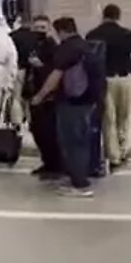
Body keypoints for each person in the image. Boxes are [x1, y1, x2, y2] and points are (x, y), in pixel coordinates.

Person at [30, 17, 102, 197]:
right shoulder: (85, 46)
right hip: (87, 101)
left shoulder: (67, 48)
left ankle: (79, 184)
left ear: (61, 31)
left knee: (71, 143)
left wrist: (40, 96)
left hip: (71, 102)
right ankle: (80, 177)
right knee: (81, 141)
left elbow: (56, 75)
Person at [85, 4, 131, 169]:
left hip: (105, 79)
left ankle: (113, 156)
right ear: (118, 16)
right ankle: (123, 148)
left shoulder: (93, 34)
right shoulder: (127, 34)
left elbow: (89, 59)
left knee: (108, 119)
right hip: (125, 78)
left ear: (103, 16)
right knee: (124, 117)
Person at [21, 16, 64, 180]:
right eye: (37, 28)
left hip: (46, 95)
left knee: (48, 131)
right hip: (32, 91)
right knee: (36, 129)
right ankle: (47, 161)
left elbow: (55, 71)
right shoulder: (32, 45)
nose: (39, 31)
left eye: (43, 28)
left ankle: (55, 165)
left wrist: (40, 66)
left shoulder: (52, 47)